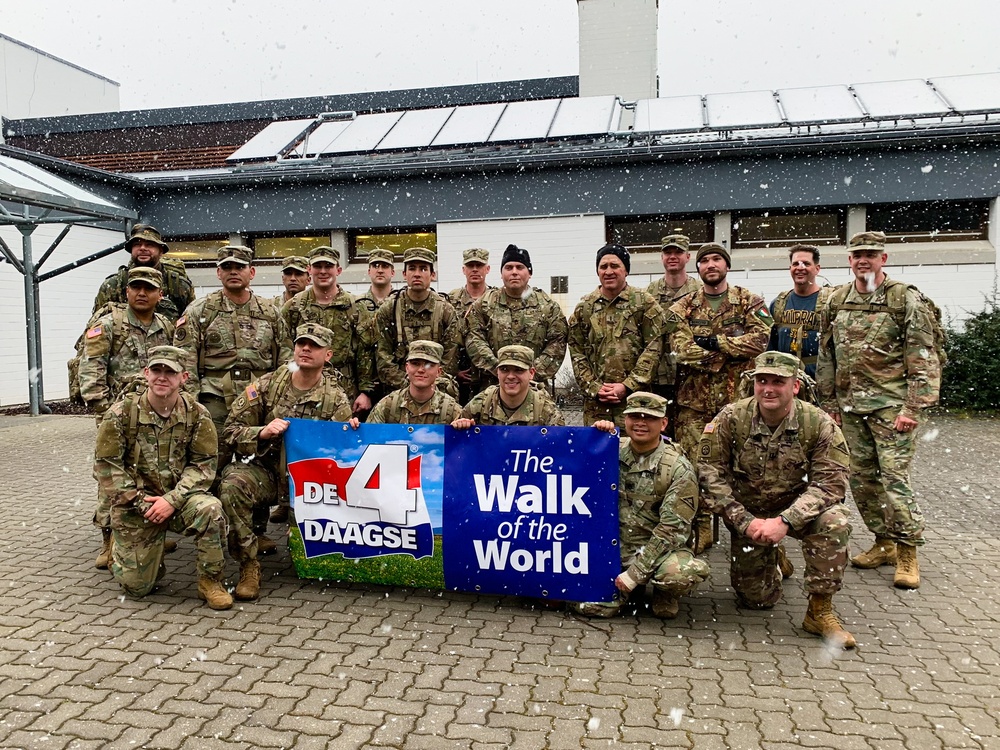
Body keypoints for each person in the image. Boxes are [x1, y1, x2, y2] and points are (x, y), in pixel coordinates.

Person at [698, 351, 855, 649]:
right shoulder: (732, 417)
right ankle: (774, 556)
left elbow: (830, 483)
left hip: (799, 511)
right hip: (750, 516)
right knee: (757, 600)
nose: (768, 388)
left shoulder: (818, 423)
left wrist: (785, 521)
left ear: (794, 386)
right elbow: (709, 475)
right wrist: (744, 521)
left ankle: (819, 611)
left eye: (778, 382)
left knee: (835, 521)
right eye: (762, 381)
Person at [816, 231, 942, 590]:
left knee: (894, 479)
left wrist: (913, 407)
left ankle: (907, 551)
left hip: (891, 408)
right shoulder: (837, 299)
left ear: (883, 258)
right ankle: (883, 541)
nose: (863, 260)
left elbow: (923, 357)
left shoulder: (904, 299)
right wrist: (829, 405)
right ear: (849, 259)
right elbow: (827, 355)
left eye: (870, 254)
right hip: (850, 408)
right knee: (862, 479)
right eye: (857, 255)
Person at [93, 346, 232, 610]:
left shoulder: (198, 415)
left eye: (171, 372)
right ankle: (120, 548)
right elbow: (106, 468)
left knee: (211, 510)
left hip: (179, 500)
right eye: (156, 370)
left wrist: (173, 499)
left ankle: (211, 581)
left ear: (184, 378)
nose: (162, 377)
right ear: (146, 373)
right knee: (138, 587)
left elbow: (203, 465)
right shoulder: (121, 414)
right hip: (136, 505)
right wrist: (143, 502)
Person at [220, 324, 352, 600]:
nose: (305, 349)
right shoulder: (269, 384)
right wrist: (261, 432)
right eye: (301, 343)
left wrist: (349, 431)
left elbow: (341, 456)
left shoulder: (335, 398)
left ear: (328, 354)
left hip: (308, 482)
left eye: (314, 345)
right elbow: (230, 431)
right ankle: (248, 563)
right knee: (233, 484)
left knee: (312, 558)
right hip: (266, 472)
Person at [173, 245, 288, 552]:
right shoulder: (200, 310)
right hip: (215, 400)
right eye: (227, 267)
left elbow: (285, 357)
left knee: (259, 463)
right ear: (218, 272)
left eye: (240, 266)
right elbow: (185, 361)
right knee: (212, 461)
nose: (233, 271)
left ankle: (256, 530)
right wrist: (191, 405)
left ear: (252, 272)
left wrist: (278, 398)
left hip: (259, 401)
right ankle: (212, 526)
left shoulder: (270, 312)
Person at [668, 242, 772, 553]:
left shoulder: (749, 301)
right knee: (693, 468)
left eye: (717, 259)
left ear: (726, 265)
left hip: (737, 403)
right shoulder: (681, 307)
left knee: (746, 469)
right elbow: (680, 349)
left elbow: (761, 340)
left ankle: (756, 534)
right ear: (697, 268)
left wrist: (715, 343)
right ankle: (701, 527)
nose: (711, 265)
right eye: (704, 261)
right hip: (693, 405)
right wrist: (728, 352)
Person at [576, 392, 710, 619]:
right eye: (634, 416)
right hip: (613, 548)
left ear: (663, 423)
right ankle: (630, 590)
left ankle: (662, 591)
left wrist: (634, 575)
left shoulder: (677, 468)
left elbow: (671, 531)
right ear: (625, 419)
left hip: (657, 548)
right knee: (588, 607)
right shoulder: (609, 449)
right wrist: (594, 435)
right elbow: (568, 466)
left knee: (679, 575)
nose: (640, 422)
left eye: (649, 417)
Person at [79, 267, 176, 569]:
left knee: (152, 470)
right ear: (126, 292)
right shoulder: (107, 326)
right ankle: (109, 539)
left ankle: (149, 530)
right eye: (136, 287)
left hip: (156, 414)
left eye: (148, 288)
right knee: (111, 475)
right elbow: (90, 374)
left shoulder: (167, 327)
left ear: (160, 294)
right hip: (117, 416)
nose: (141, 293)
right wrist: (108, 413)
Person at [568, 243, 664, 428]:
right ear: (597, 271)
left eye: (615, 266)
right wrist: (594, 387)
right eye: (603, 266)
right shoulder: (585, 308)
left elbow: (654, 348)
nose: (609, 271)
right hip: (596, 404)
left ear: (626, 270)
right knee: (597, 454)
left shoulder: (644, 304)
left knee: (635, 453)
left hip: (635, 401)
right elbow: (576, 351)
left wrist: (628, 385)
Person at [279, 246, 374, 416]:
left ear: (338, 270)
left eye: (328, 266)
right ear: (309, 270)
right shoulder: (294, 307)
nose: (323, 271)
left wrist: (366, 392)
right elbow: (284, 346)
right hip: (302, 387)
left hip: (345, 388)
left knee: (341, 438)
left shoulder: (355, 307)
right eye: (318, 266)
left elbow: (365, 351)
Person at [464, 244, 567, 395]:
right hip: (492, 391)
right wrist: (499, 370)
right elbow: (474, 339)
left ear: (529, 272)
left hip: (535, 391)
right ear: (501, 273)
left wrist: (529, 373)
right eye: (509, 267)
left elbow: (557, 344)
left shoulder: (548, 307)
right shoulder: (484, 305)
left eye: (520, 267)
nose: (514, 272)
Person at [373, 246, 461, 390]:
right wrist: (407, 386)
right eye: (412, 268)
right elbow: (383, 355)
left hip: (437, 388)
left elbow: (450, 358)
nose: (417, 274)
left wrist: (428, 384)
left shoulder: (446, 310)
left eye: (423, 269)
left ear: (433, 274)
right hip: (398, 388)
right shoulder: (389, 309)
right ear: (404, 274)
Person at [645, 235, 701, 415]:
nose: (672, 256)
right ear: (662, 257)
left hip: (692, 375)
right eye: (668, 252)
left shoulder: (700, 291)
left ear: (688, 256)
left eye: (678, 252)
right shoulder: (649, 293)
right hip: (658, 377)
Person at [93, 224, 195, 322]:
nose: (142, 248)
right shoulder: (113, 285)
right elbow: (96, 325)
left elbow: (192, 326)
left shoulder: (179, 286)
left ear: (161, 251)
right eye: (137, 244)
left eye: (149, 245)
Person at [452, 345, 565, 428]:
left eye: (518, 370)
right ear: (497, 372)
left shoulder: (546, 410)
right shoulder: (480, 405)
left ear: (531, 373)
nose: (510, 376)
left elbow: (561, 453)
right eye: (504, 370)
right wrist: (460, 427)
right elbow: (455, 449)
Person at [767, 245, 832, 379]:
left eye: (806, 264)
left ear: (817, 269)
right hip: (785, 378)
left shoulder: (830, 302)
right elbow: (770, 346)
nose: (800, 268)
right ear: (790, 268)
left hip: (821, 379)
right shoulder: (778, 303)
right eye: (795, 264)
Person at [366, 340, 463, 425]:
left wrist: (462, 427)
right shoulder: (388, 405)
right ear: (407, 368)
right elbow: (368, 440)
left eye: (429, 365)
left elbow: (463, 444)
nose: (421, 370)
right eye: (415, 364)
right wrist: (356, 429)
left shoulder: (451, 410)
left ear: (439, 372)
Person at [447, 247, 493, 403]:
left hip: (490, 375)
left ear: (487, 269)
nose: (474, 270)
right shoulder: (451, 300)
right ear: (463, 270)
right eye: (470, 266)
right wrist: (454, 371)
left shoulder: (495, 299)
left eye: (479, 266)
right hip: (459, 374)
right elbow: (446, 338)